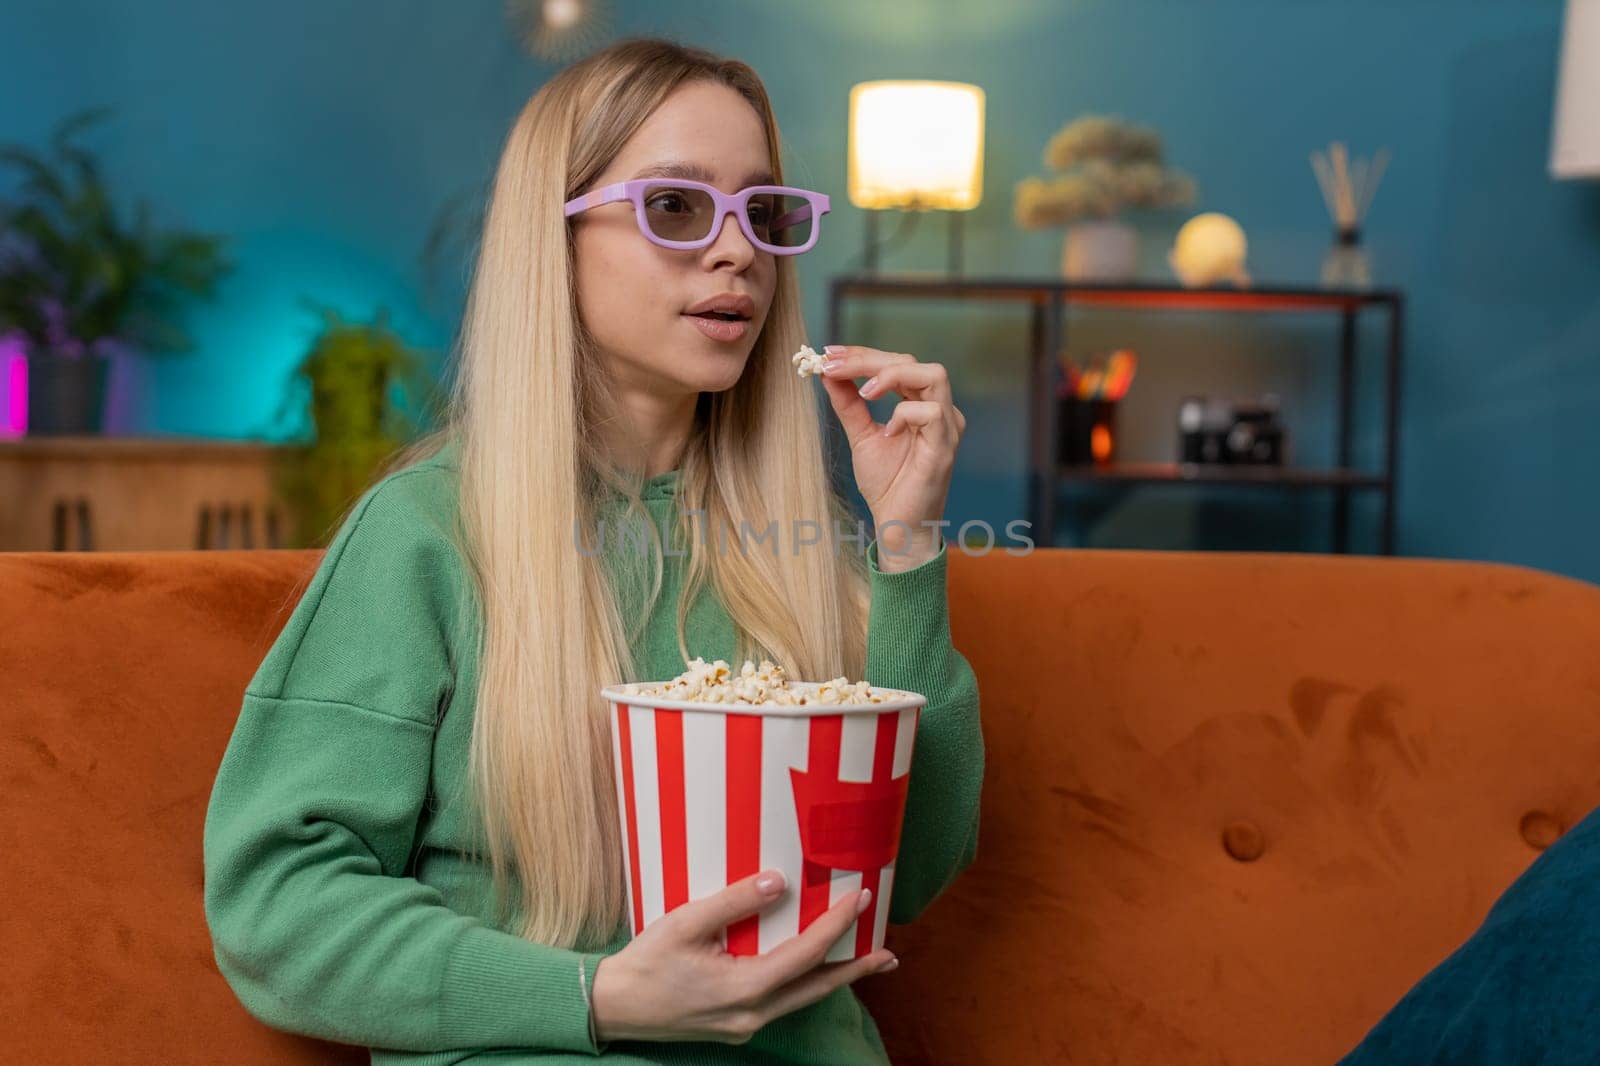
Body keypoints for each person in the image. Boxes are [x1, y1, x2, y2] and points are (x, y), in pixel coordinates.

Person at [203, 36, 984, 1065]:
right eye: (675, 206)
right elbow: (276, 903)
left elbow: (904, 875)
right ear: (553, 239)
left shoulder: (805, 547)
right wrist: (598, 995)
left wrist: (906, 541)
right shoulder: (425, 536)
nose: (737, 252)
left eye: (764, 213)